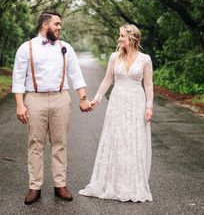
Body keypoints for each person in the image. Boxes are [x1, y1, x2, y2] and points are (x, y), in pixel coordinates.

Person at [12, 11, 92, 205]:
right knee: (35, 144)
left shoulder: (66, 48)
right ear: (45, 25)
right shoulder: (26, 48)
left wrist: (83, 98)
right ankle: (35, 187)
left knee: (60, 143)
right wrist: (20, 104)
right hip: (35, 99)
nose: (59, 27)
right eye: (56, 24)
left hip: (61, 99)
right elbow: (18, 77)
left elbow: (76, 75)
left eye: (60, 24)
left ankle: (60, 185)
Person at [79, 24, 153, 202]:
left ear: (132, 38)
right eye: (119, 36)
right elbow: (107, 80)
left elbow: (148, 85)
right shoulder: (114, 57)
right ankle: (113, 183)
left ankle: (132, 185)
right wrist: (96, 99)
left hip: (136, 102)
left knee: (133, 140)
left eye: (122, 36)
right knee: (117, 139)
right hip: (117, 103)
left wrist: (149, 106)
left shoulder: (145, 59)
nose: (119, 39)